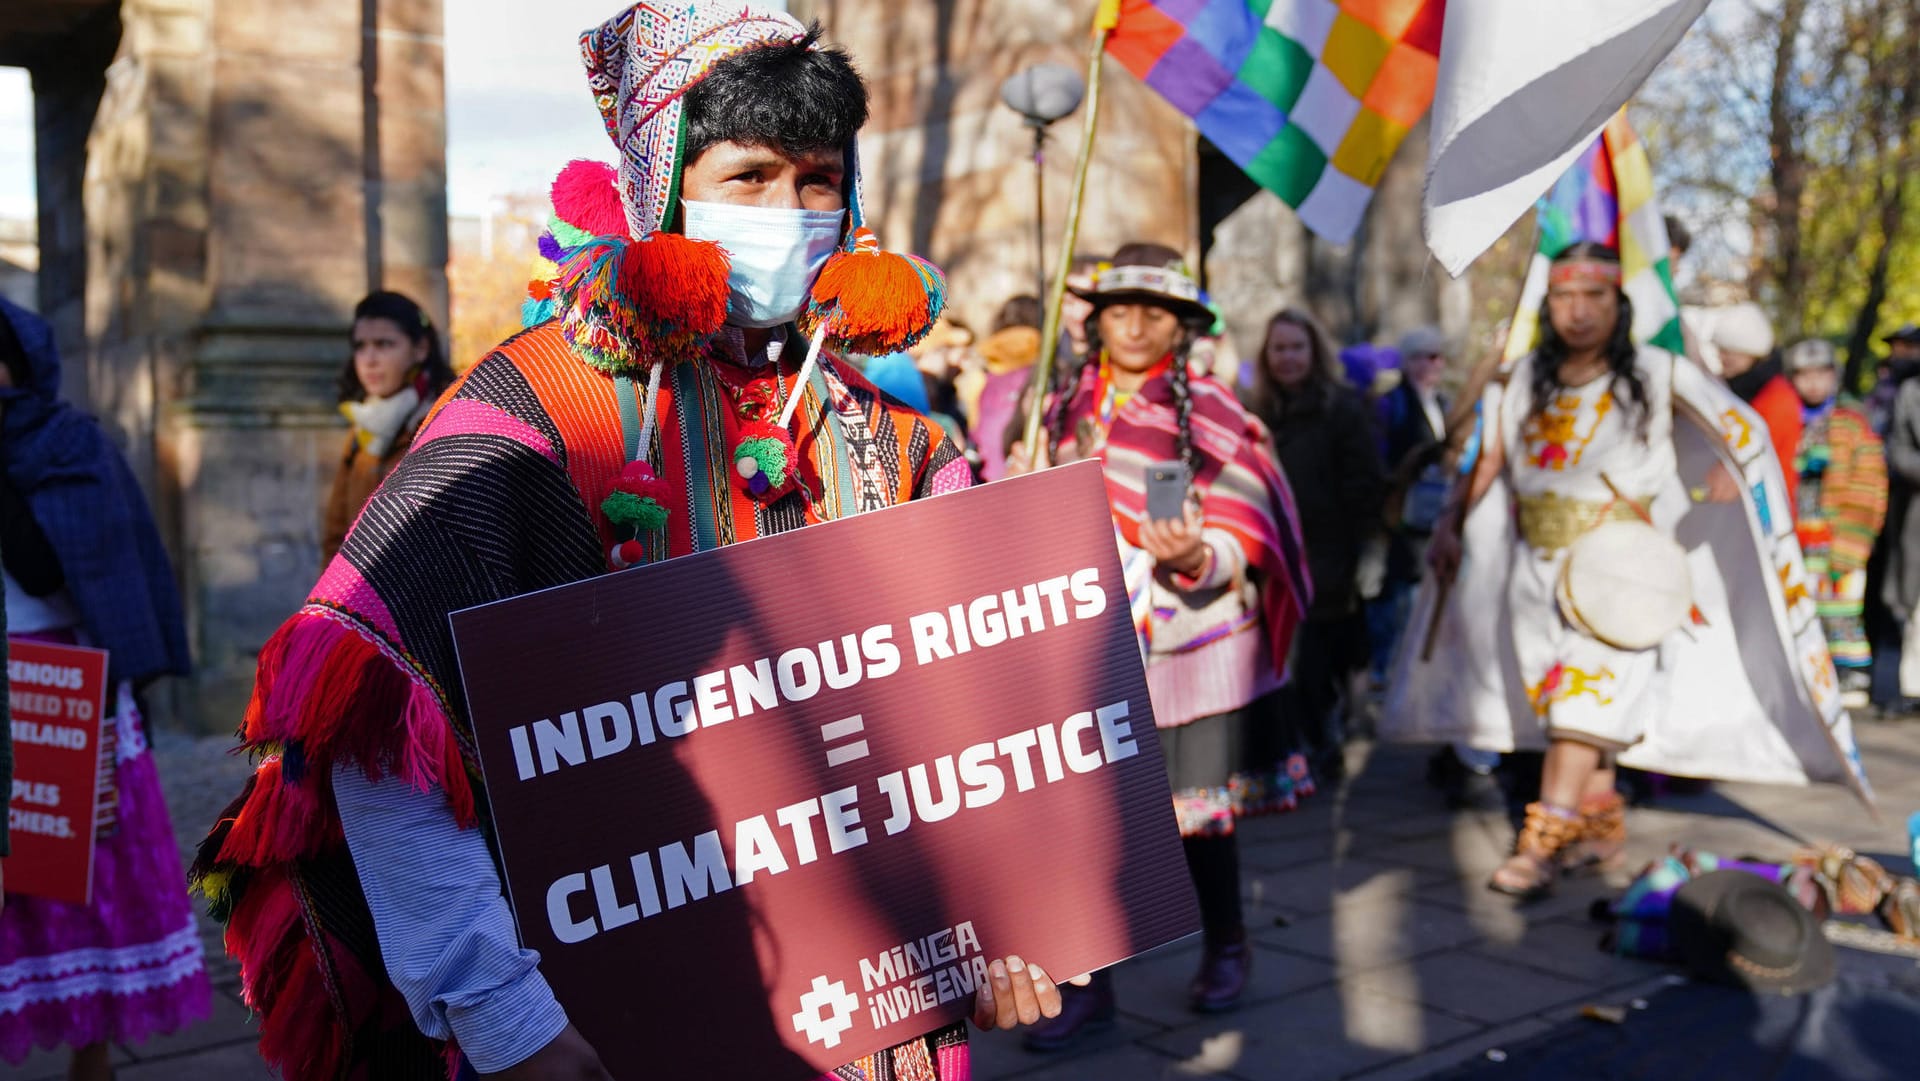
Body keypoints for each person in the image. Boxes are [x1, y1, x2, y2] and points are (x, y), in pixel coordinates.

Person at [193, 8, 1072, 1078]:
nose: (788, 212)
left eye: (817, 181)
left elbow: (964, 731)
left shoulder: (900, 440)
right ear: (662, 185)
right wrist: (507, 1019)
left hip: (877, 1016)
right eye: (746, 178)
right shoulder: (537, 412)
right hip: (607, 1030)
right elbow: (380, 728)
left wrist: (992, 918)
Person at [1394, 243, 1869, 898]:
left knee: (1581, 702)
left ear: (1617, 305)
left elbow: (1745, 429)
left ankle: (1544, 841)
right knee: (1562, 700)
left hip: (1626, 575)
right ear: (1547, 304)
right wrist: (1451, 522)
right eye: (1564, 298)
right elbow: (1490, 457)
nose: (1578, 313)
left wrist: (1732, 475)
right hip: (1535, 572)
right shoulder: (1525, 375)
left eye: (1593, 298)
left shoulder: (1658, 371)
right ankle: (1600, 827)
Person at [1006, 244, 1310, 1039]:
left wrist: (1200, 556)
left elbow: (1250, 510)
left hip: (1185, 636)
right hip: (1085, 635)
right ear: (1095, 319)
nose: (1135, 325)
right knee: (1084, 817)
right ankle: (1088, 981)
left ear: (1180, 324)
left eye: (1154, 311)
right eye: (1119, 309)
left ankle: (1227, 944)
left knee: (1195, 819)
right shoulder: (1062, 400)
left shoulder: (1212, 409)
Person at [0, 298, 207, 1078]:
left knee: (80, 870)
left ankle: (93, 1060)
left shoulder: (70, 446)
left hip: (63, 692)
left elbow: (57, 569)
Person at [1250, 309, 1387, 782]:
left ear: (1314, 352)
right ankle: (1305, 741)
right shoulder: (1256, 413)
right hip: (1273, 554)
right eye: (1279, 348)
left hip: (1329, 553)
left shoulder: (1342, 407)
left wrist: (1367, 553)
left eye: (1296, 347)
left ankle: (1322, 740)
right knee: (1286, 655)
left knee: (1319, 657)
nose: (1288, 358)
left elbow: (1365, 484)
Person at [1780, 340, 1886, 701]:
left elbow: (1869, 484)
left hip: (1838, 535)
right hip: (1796, 535)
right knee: (1800, 606)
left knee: (1841, 607)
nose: (1812, 383)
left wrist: (1853, 542)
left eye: (1820, 374)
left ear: (1834, 377)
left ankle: (1849, 674)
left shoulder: (1852, 424)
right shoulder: (1786, 419)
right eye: (1802, 375)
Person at [322, 290, 456, 566]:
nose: (369, 359)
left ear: (420, 349)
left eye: (384, 344)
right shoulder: (362, 430)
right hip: (359, 599)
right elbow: (336, 538)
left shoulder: (445, 421)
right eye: (360, 346)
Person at [1373, 326, 1451, 678]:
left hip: (1435, 514)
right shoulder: (1392, 404)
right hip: (1399, 515)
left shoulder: (1445, 404)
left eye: (1437, 356)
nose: (1432, 364)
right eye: (1424, 356)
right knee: (1395, 592)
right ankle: (1384, 669)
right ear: (1407, 362)